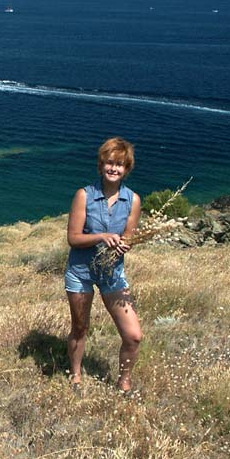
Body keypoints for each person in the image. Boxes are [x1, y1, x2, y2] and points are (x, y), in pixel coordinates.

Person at [64, 136, 143, 394]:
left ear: (126, 169)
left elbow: (129, 239)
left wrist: (124, 244)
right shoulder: (84, 195)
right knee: (80, 326)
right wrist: (101, 237)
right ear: (101, 165)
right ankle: (75, 374)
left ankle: (124, 381)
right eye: (109, 163)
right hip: (81, 272)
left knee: (133, 335)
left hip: (113, 274)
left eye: (119, 165)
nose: (114, 168)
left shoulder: (133, 201)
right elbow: (73, 238)